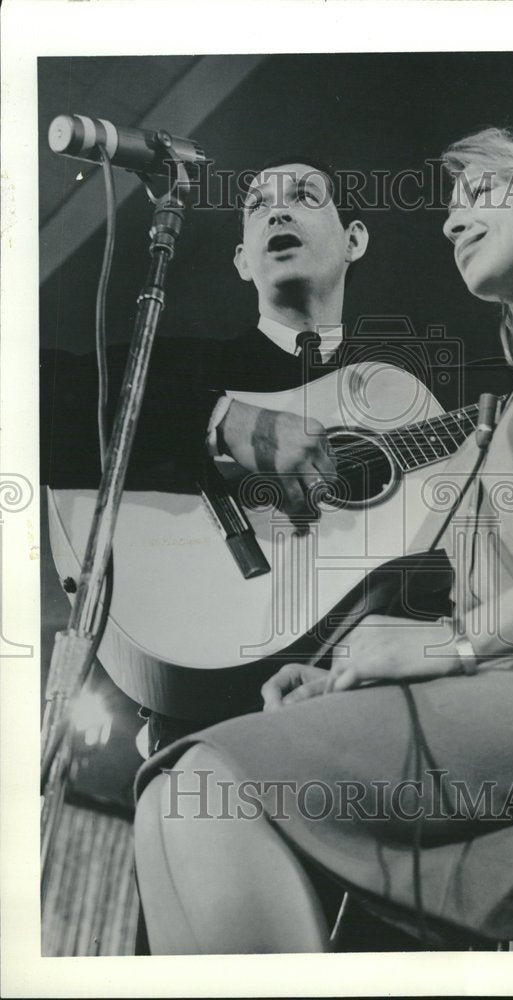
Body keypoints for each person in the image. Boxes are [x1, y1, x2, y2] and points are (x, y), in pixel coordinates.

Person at [132, 127, 513, 953]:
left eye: (482, 193)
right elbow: (499, 612)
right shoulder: (501, 420)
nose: (453, 223)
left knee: (219, 784)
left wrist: (450, 646)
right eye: (452, 208)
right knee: (173, 794)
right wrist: (343, 672)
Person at [41, 156, 370, 748]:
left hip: (360, 711)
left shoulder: (396, 398)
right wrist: (219, 419)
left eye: (304, 195)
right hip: (204, 718)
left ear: (354, 240)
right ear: (243, 261)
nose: (278, 209)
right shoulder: (173, 365)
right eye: (256, 205)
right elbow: (33, 400)